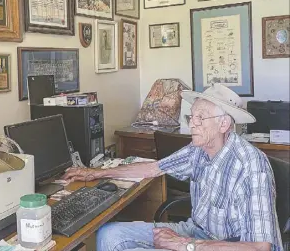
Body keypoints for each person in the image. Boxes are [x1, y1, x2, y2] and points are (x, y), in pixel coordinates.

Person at [62, 83, 283, 251]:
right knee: (108, 235)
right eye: (191, 116)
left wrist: (186, 244)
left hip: (225, 245)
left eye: (201, 118)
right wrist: (95, 173)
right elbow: (153, 169)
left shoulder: (251, 166)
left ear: (224, 124)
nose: (191, 123)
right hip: (196, 230)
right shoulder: (199, 148)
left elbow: (259, 247)